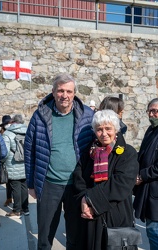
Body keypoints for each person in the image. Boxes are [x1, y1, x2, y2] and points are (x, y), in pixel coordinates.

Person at [24, 73, 94, 250]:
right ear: (53, 92)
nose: (65, 95)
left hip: (77, 185)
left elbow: (103, 137)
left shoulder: (87, 114)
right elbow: (29, 150)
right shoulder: (40, 115)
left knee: (75, 231)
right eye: (61, 91)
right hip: (49, 184)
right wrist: (31, 183)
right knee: (45, 232)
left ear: (74, 93)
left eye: (69, 91)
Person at [73, 110, 139, 250]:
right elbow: (79, 179)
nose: (104, 134)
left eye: (108, 128)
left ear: (116, 129)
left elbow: (121, 183)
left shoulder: (127, 153)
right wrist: (83, 202)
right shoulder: (88, 153)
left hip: (116, 217)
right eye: (99, 129)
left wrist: (89, 199)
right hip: (90, 218)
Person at [133, 98, 158, 250]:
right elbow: (143, 155)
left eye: (156, 111)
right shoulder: (151, 130)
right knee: (151, 230)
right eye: (151, 111)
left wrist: (142, 175)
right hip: (150, 190)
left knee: (154, 231)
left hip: (155, 191)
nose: (154, 114)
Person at [2, 114, 29, 218]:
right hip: (25, 164)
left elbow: (5, 152)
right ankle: (25, 209)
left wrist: (3, 162)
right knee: (24, 187)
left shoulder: (8, 134)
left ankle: (17, 210)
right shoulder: (28, 131)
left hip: (13, 164)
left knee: (15, 188)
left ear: (12, 122)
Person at [0, 115, 13, 207]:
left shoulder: (14, 131)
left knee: (16, 183)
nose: (8, 125)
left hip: (14, 160)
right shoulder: (0, 134)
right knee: (8, 182)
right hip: (5, 160)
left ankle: (19, 202)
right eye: (6, 123)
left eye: (9, 123)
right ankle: (9, 198)